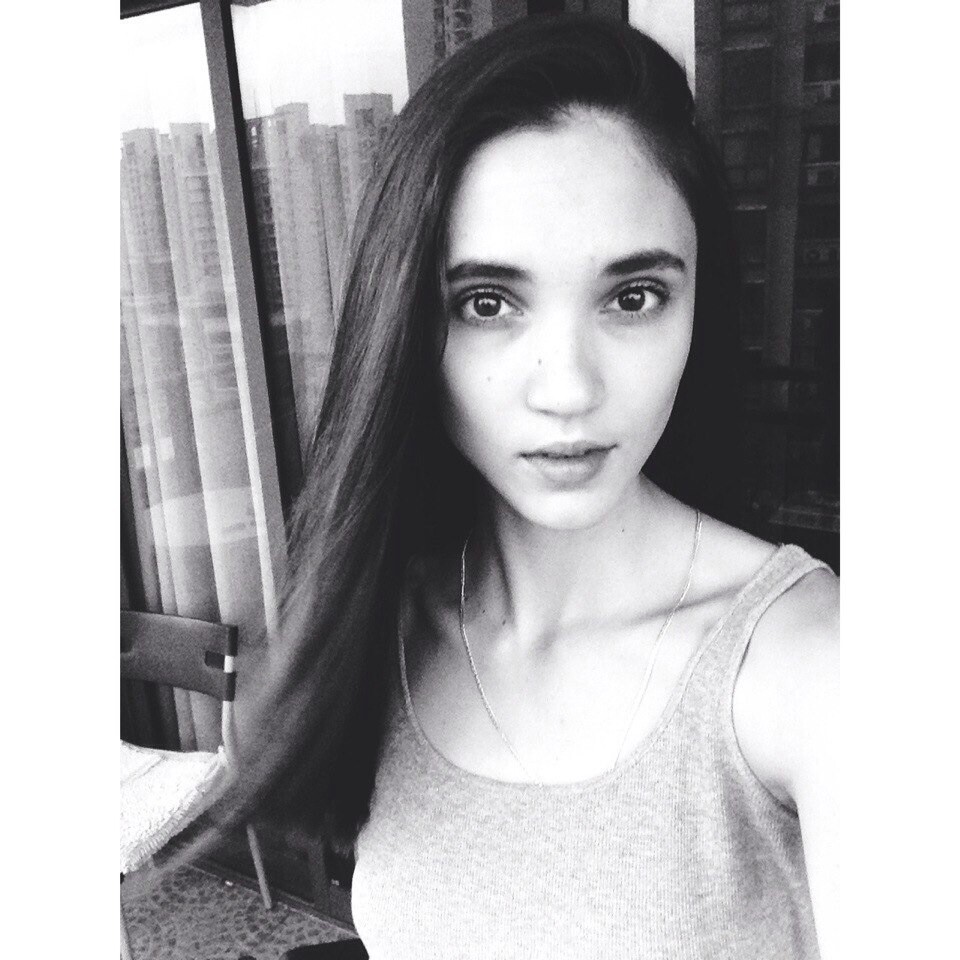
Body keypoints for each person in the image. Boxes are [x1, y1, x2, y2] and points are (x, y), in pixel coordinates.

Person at [220, 13, 839, 959]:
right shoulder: (385, 627)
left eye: (633, 297)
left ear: (698, 308)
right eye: (488, 303)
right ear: (406, 329)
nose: (569, 389)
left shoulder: (810, 668)